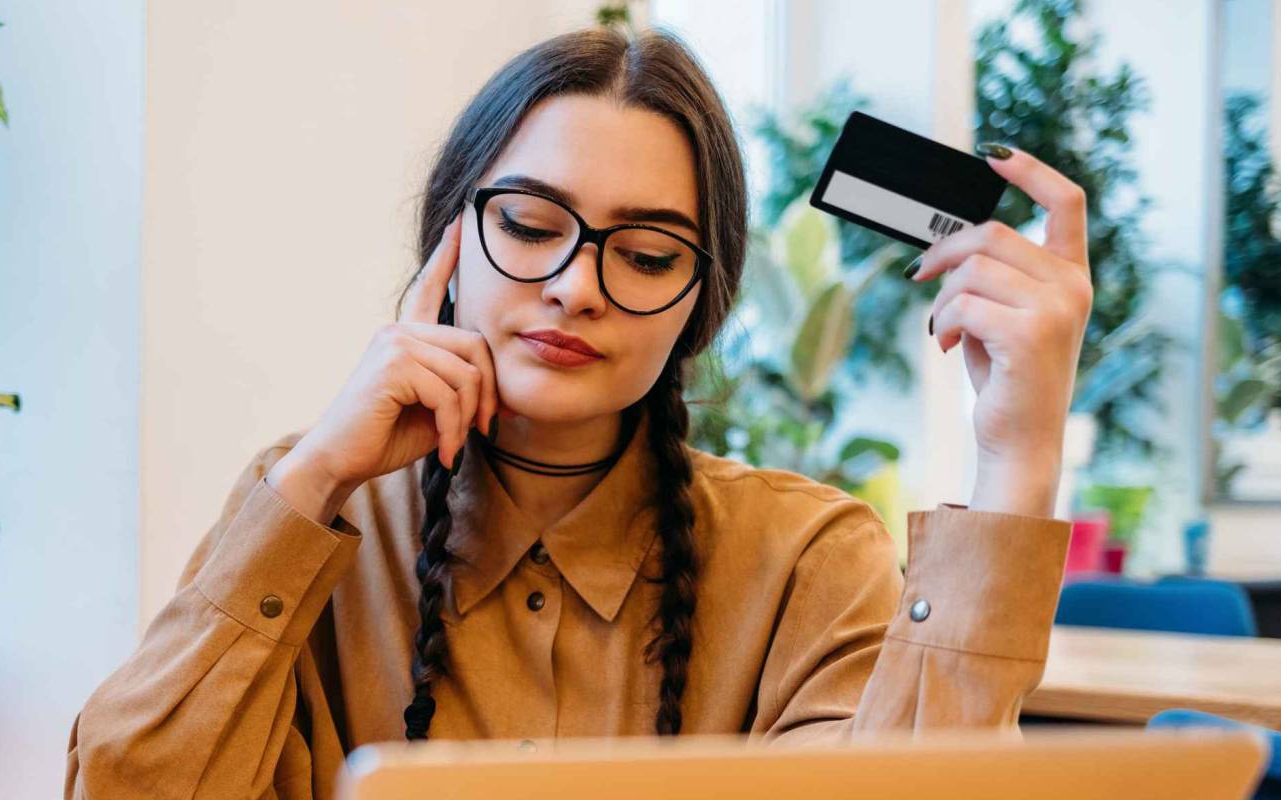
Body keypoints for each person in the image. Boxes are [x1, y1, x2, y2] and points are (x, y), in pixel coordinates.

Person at [66, 26, 1091, 800]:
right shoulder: (313, 512)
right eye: (527, 224)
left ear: (701, 301)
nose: (573, 284)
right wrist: (314, 476)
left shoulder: (806, 555)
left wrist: (1016, 458)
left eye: (646, 254)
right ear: (449, 239)